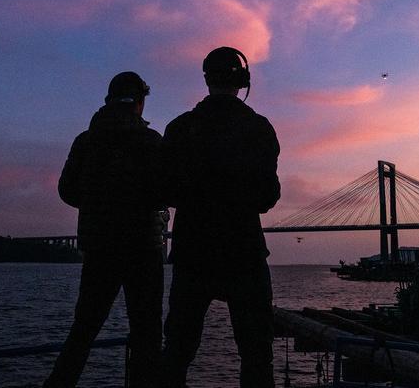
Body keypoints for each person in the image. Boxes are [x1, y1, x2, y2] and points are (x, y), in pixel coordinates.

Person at [160, 46, 281, 388]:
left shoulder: (180, 128)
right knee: (256, 354)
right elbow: (267, 198)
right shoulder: (258, 128)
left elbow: (166, 192)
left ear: (206, 79)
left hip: (192, 253)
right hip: (244, 253)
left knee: (178, 352)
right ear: (243, 81)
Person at [44, 71, 165, 388]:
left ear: (108, 100)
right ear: (140, 103)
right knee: (147, 332)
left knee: (84, 328)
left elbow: (67, 191)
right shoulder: (152, 142)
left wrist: (96, 202)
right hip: (145, 250)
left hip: (100, 249)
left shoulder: (86, 141)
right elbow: (167, 190)